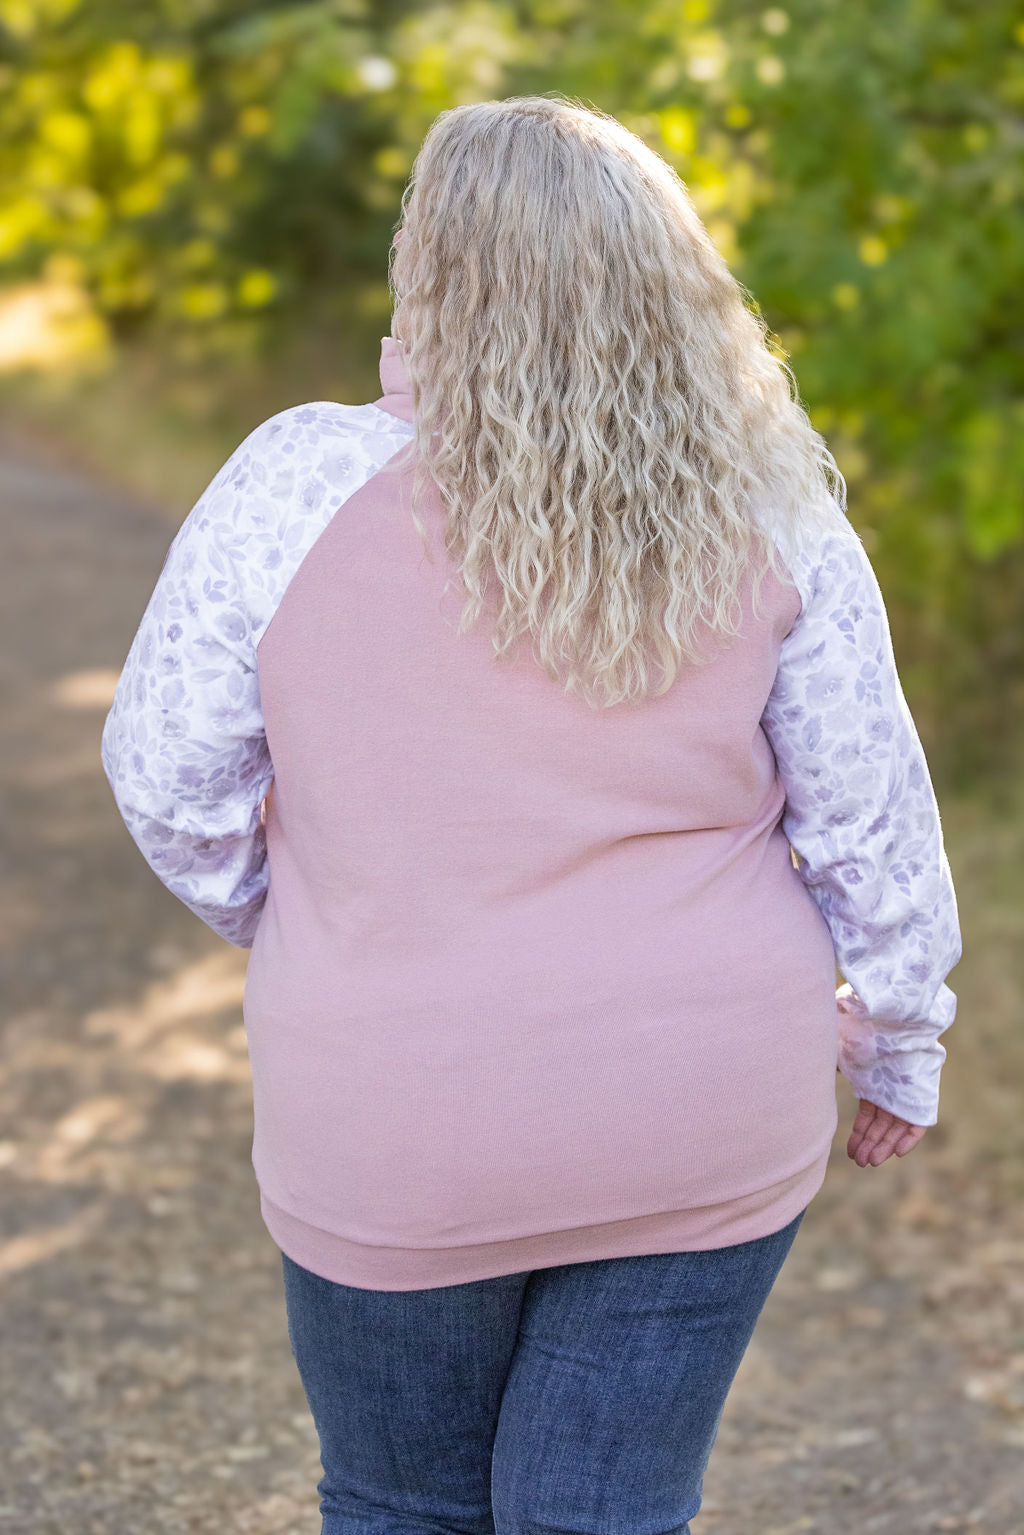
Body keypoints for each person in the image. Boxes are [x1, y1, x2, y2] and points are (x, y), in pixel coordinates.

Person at [100, 94, 962, 1534]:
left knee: (400, 1506)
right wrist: (902, 1037)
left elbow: (169, 780)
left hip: (392, 1105)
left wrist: (308, 916)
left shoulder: (294, 484)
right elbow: (868, 810)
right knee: (605, 1515)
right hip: (700, 1103)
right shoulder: (768, 502)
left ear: (426, 264)